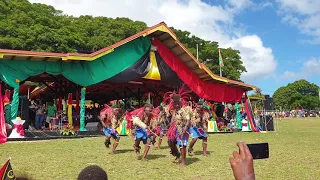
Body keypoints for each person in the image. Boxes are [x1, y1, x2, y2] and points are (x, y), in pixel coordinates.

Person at [164, 87, 192, 168]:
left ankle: (183, 162)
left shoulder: (185, 109)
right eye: (174, 103)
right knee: (170, 142)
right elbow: (171, 122)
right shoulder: (173, 111)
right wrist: (165, 118)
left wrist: (184, 131)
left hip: (183, 128)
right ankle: (176, 153)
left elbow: (188, 121)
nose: (176, 105)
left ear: (180, 102)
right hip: (174, 129)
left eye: (177, 103)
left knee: (182, 144)